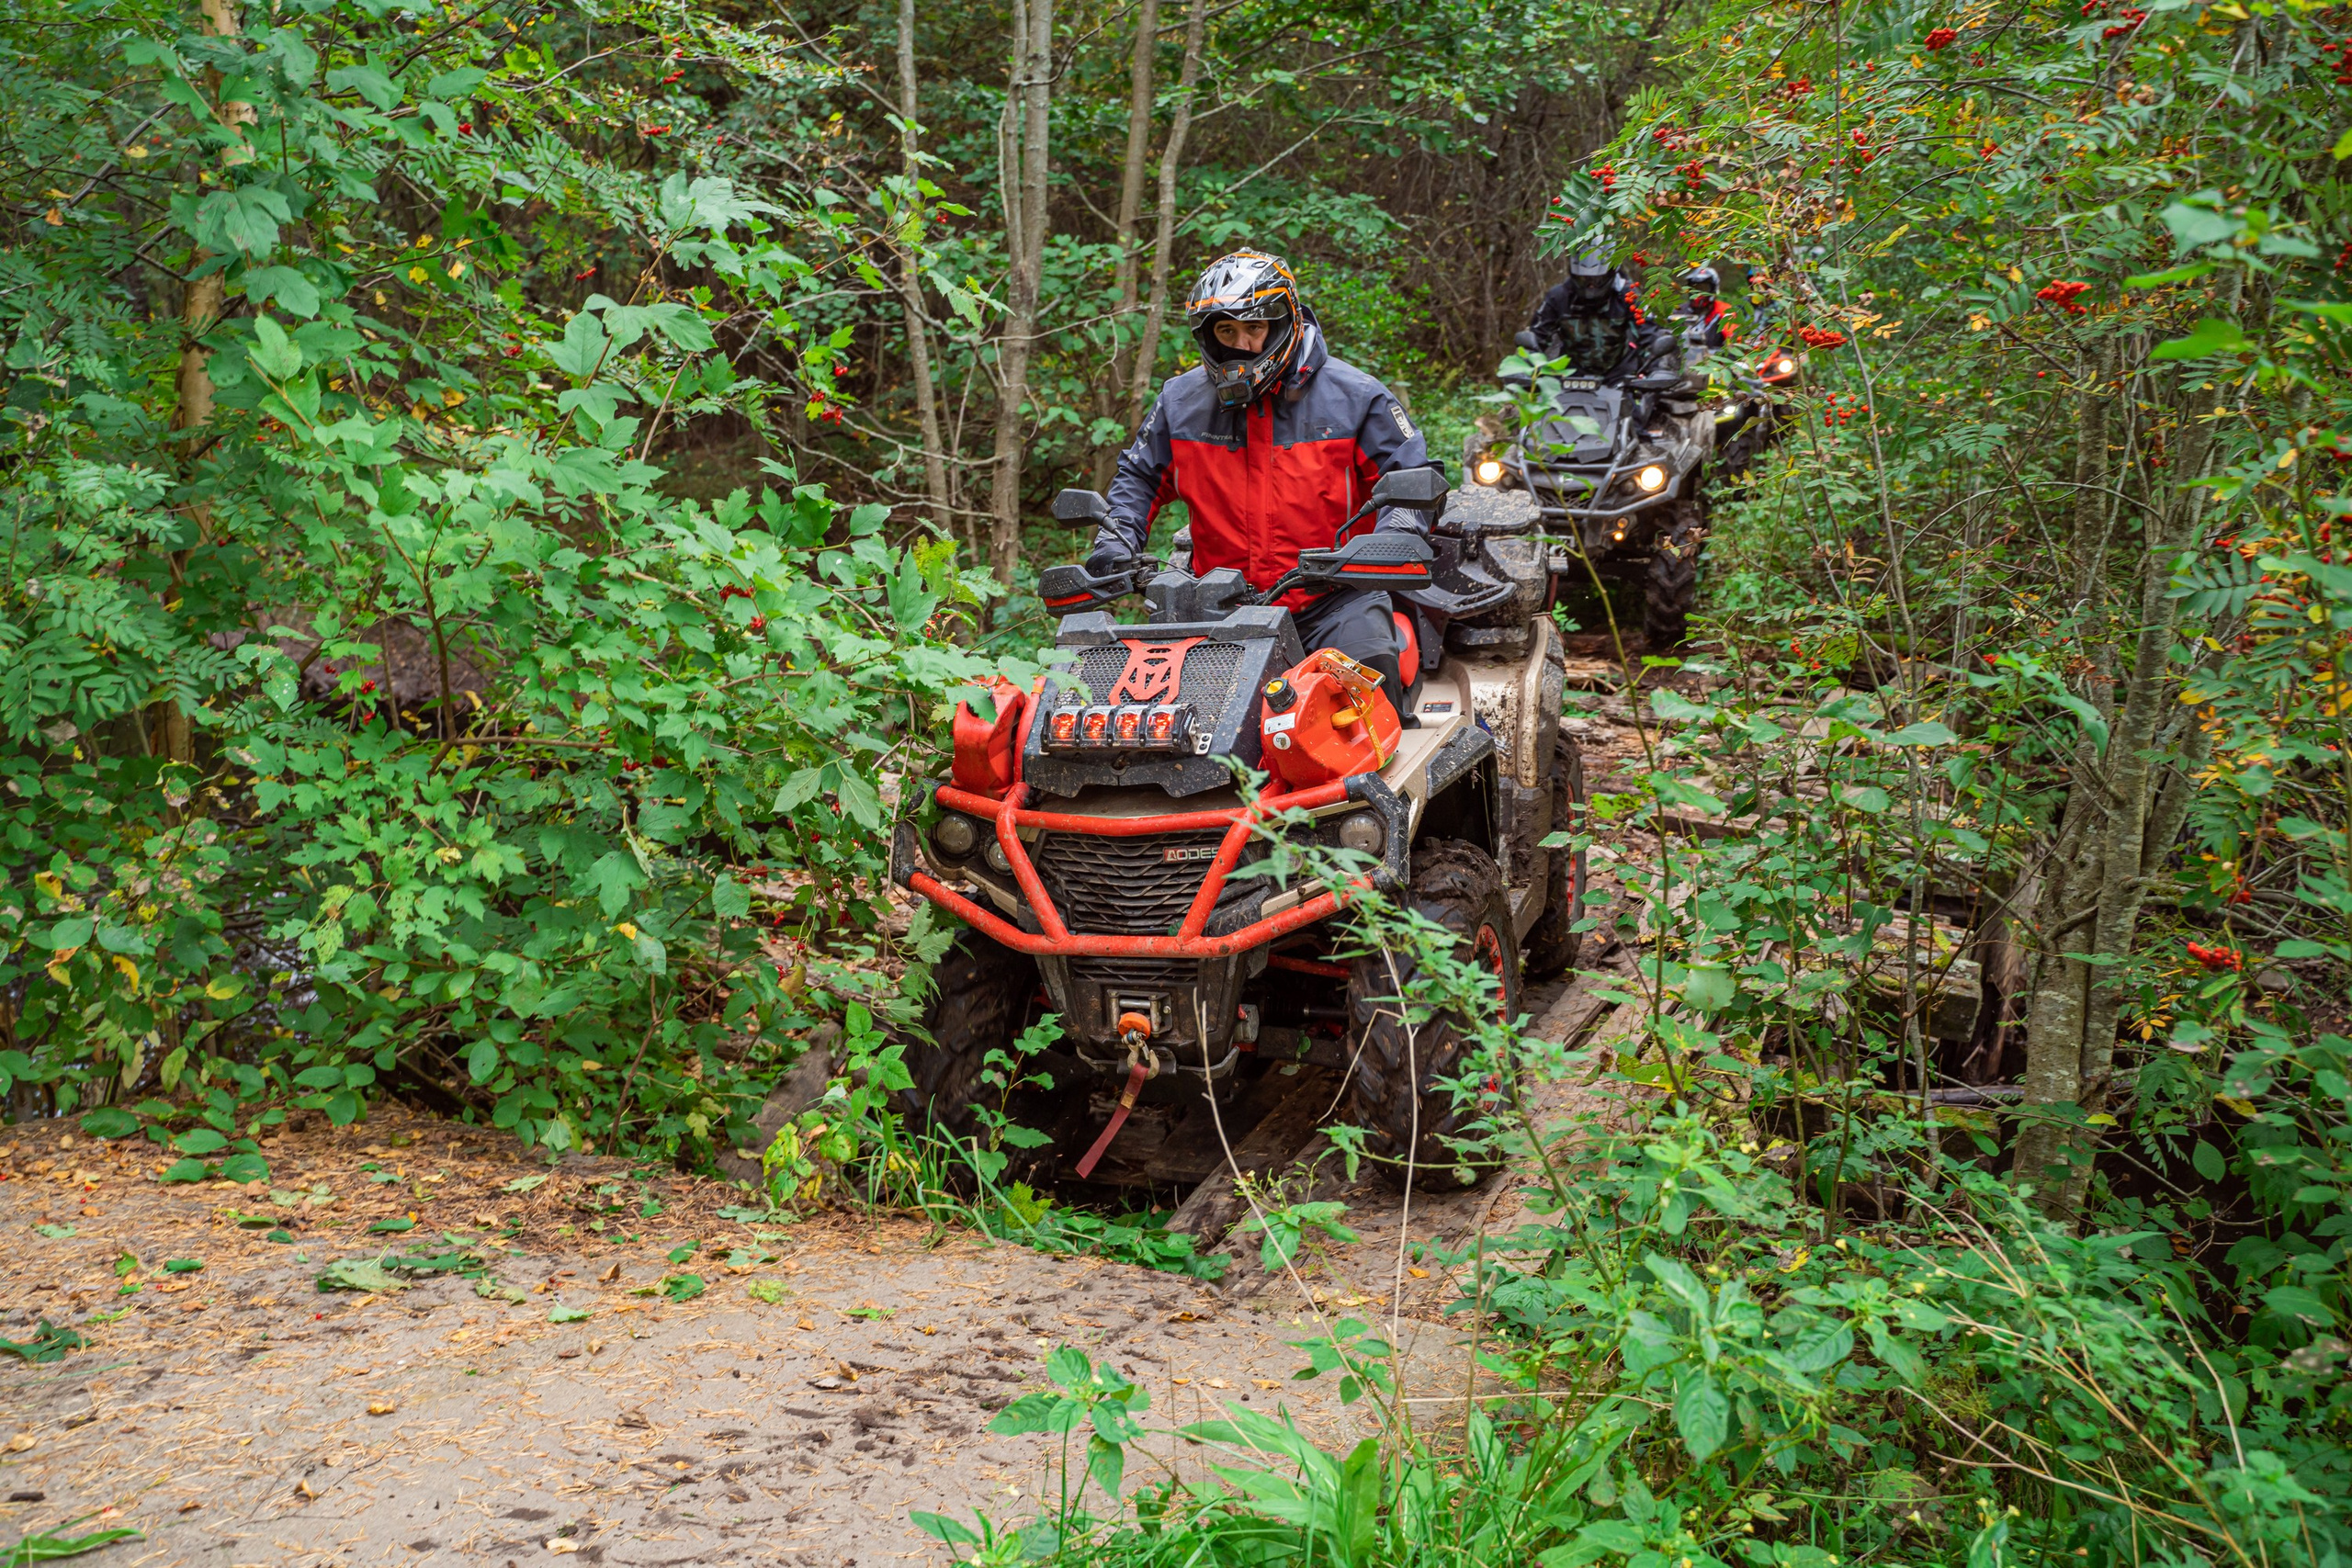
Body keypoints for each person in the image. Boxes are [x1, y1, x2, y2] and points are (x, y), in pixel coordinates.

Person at [1087, 249, 1433, 695]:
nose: (1243, 344)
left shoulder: (1357, 397)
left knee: (1368, 707)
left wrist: (1398, 531)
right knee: (1162, 726)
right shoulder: (1180, 401)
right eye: (1227, 330)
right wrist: (1116, 539)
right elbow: (1140, 477)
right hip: (1213, 606)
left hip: (1333, 602)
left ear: (1283, 322)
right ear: (1208, 336)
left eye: (1255, 327)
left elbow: (1406, 476)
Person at [1525, 248, 1681, 382]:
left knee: (1650, 412)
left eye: (1597, 280)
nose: (1591, 286)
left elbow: (1651, 334)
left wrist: (1658, 370)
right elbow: (1537, 336)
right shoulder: (1558, 297)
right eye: (1583, 280)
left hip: (1621, 377)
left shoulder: (1628, 295)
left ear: (1610, 275)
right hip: (1569, 376)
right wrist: (1526, 365)